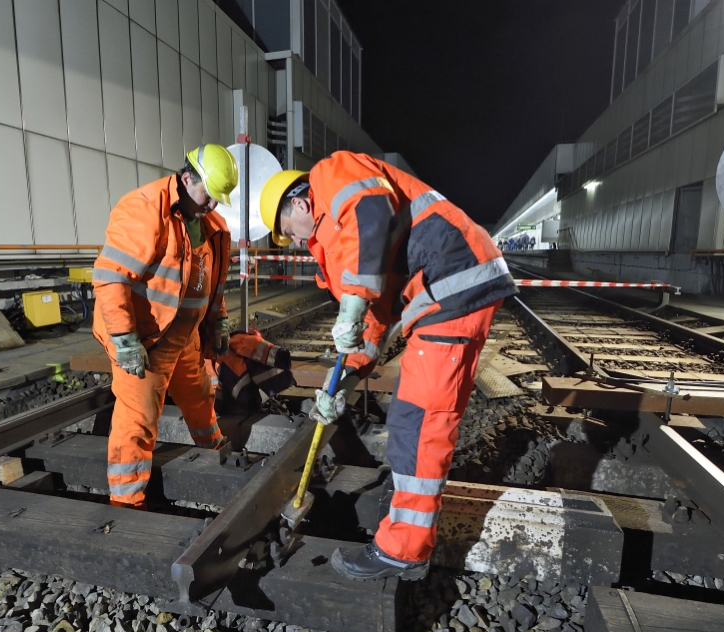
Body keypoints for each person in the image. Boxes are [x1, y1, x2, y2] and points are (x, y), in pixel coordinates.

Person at [260, 152, 517, 580]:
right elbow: (378, 312)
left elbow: (370, 213)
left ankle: (404, 548)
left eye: (291, 231)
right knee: (413, 422)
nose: (300, 241)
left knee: (417, 424)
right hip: (446, 291)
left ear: (301, 205)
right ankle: (407, 537)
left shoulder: (331, 175)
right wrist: (343, 377)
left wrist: (352, 301)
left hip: (451, 285)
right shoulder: (346, 240)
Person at [93, 144, 239, 508]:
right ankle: (127, 502)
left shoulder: (213, 227)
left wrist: (216, 323)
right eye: (209, 196)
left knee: (200, 398)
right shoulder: (144, 209)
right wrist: (125, 339)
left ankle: (213, 452)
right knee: (137, 422)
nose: (213, 206)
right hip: (147, 341)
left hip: (184, 337)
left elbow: (213, 284)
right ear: (188, 178)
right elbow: (111, 278)